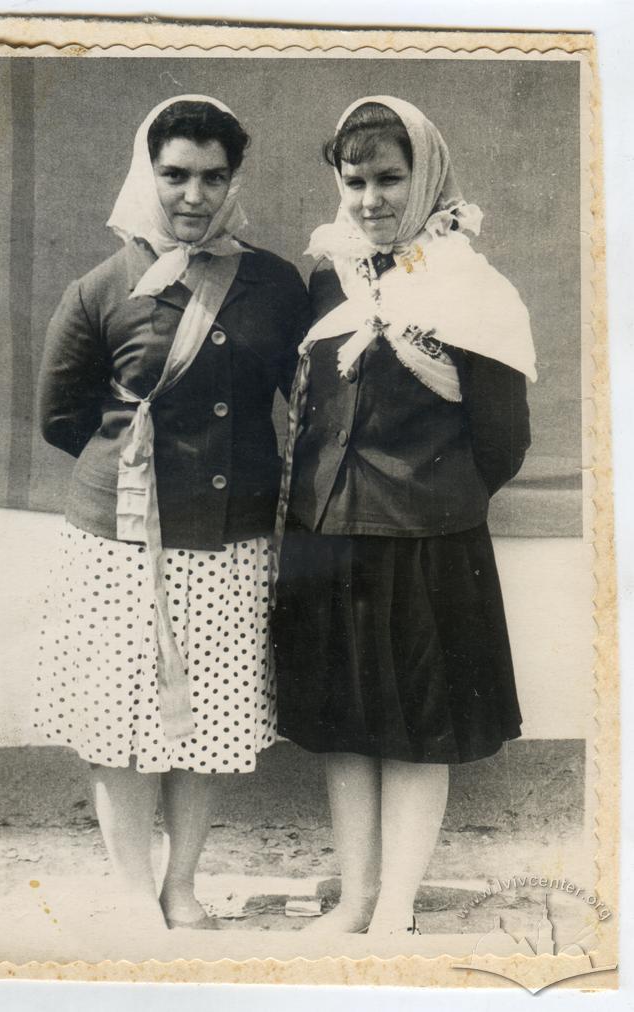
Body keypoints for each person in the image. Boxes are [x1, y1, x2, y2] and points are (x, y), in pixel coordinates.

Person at [35, 95, 308, 933]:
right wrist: (138, 475)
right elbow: (61, 417)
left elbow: (295, 397)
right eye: (175, 174)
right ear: (146, 175)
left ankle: (181, 883)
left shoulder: (272, 283)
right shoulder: (104, 286)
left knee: (210, 720)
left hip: (230, 541)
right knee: (121, 718)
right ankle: (128, 888)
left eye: (213, 177)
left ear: (234, 182)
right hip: (122, 540)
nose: (194, 194)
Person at [273, 96, 535, 939]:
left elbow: (502, 442)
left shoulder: (472, 287)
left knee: (418, 727)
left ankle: (395, 908)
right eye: (355, 181)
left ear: (425, 178)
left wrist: (428, 496)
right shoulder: (326, 275)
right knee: (347, 726)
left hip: (426, 540)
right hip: (329, 535)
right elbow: (307, 400)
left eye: (391, 178)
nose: (371, 198)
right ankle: (355, 899)